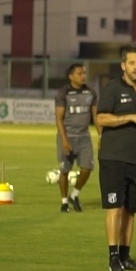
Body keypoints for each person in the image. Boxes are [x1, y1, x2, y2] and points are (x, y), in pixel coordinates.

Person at [95, 45, 136, 271]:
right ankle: (113, 257)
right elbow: (101, 118)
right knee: (114, 207)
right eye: (132, 63)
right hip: (113, 158)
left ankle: (126, 256)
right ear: (123, 65)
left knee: (130, 210)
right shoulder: (112, 89)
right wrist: (129, 117)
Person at [54, 63, 100, 213]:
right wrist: (65, 141)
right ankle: (64, 202)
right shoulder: (63, 93)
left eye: (84, 73)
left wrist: (101, 135)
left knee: (87, 168)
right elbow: (59, 119)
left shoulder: (91, 93)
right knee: (65, 171)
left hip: (84, 138)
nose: (83, 76)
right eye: (80, 73)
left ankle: (74, 194)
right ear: (71, 76)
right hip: (67, 137)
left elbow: (96, 117)